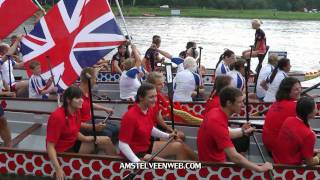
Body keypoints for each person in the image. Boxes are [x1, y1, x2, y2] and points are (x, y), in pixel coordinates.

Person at [47, 86, 116, 180]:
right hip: (64, 152)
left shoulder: (76, 112)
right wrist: (58, 169)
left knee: (106, 140)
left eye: (81, 97)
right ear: (68, 100)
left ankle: (118, 166)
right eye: (77, 98)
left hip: (74, 143)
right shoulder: (57, 117)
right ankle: (117, 169)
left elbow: (75, 132)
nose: (82, 100)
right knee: (104, 140)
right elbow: (50, 146)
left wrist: (88, 138)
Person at [197, 87, 272, 172]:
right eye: (239, 102)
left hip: (214, 164)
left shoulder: (215, 112)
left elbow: (224, 134)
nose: (243, 105)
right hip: (214, 169)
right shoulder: (217, 121)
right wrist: (260, 168)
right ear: (229, 103)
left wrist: (243, 132)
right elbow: (234, 157)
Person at [118, 83, 197, 163]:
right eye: (151, 97)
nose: (155, 99)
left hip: (146, 146)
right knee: (167, 163)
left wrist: (168, 136)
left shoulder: (148, 109)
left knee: (179, 145)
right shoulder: (130, 116)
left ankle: (200, 163)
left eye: (155, 96)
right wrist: (136, 161)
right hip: (136, 154)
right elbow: (122, 144)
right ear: (141, 98)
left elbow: (150, 128)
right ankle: (185, 171)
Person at [272, 97, 319, 166]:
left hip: (277, 159)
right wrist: (318, 157)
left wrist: (312, 151)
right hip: (289, 168)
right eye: (315, 108)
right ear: (308, 113)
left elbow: (293, 145)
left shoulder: (289, 120)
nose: (317, 111)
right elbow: (310, 163)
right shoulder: (309, 135)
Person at [79, 67, 119, 144]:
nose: (96, 81)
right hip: (83, 126)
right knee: (108, 133)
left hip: (90, 121)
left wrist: (105, 109)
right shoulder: (77, 95)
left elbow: (89, 104)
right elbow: (75, 123)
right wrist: (94, 127)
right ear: (89, 79)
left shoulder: (87, 91)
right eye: (95, 78)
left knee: (115, 128)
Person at [262, 77, 301, 152]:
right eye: (296, 89)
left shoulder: (275, 103)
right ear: (287, 91)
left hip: (268, 145)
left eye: (300, 88)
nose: (300, 91)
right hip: (280, 149)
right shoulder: (295, 106)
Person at [146, 72, 185, 140]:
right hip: (150, 131)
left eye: (163, 83)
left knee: (181, 135)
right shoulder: (150, 98)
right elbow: (155, 118)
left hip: (154, 127)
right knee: (179, 137)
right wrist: (167, 130)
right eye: (159, 84)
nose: (163, 85)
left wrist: (167, 127)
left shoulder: (156, 95)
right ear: (152, 85)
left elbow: (157, 115)